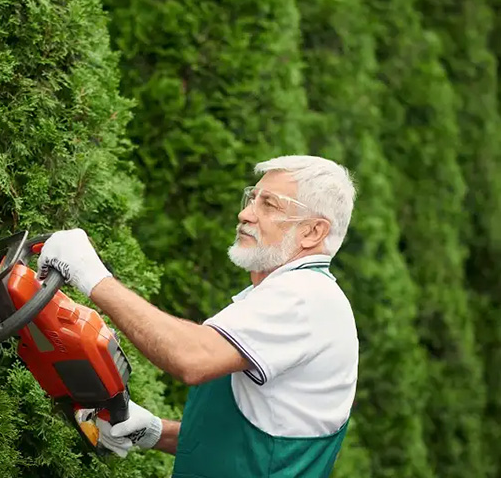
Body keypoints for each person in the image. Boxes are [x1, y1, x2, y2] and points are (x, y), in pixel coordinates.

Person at [37, 155, 359, 478]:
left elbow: (192, 357)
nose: (245, 213)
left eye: (269, 205)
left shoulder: (306, 297)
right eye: (252, 198)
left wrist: (90, 274)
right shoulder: (299, 297)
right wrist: (156, 432)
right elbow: (260, 443)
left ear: (313, 232)